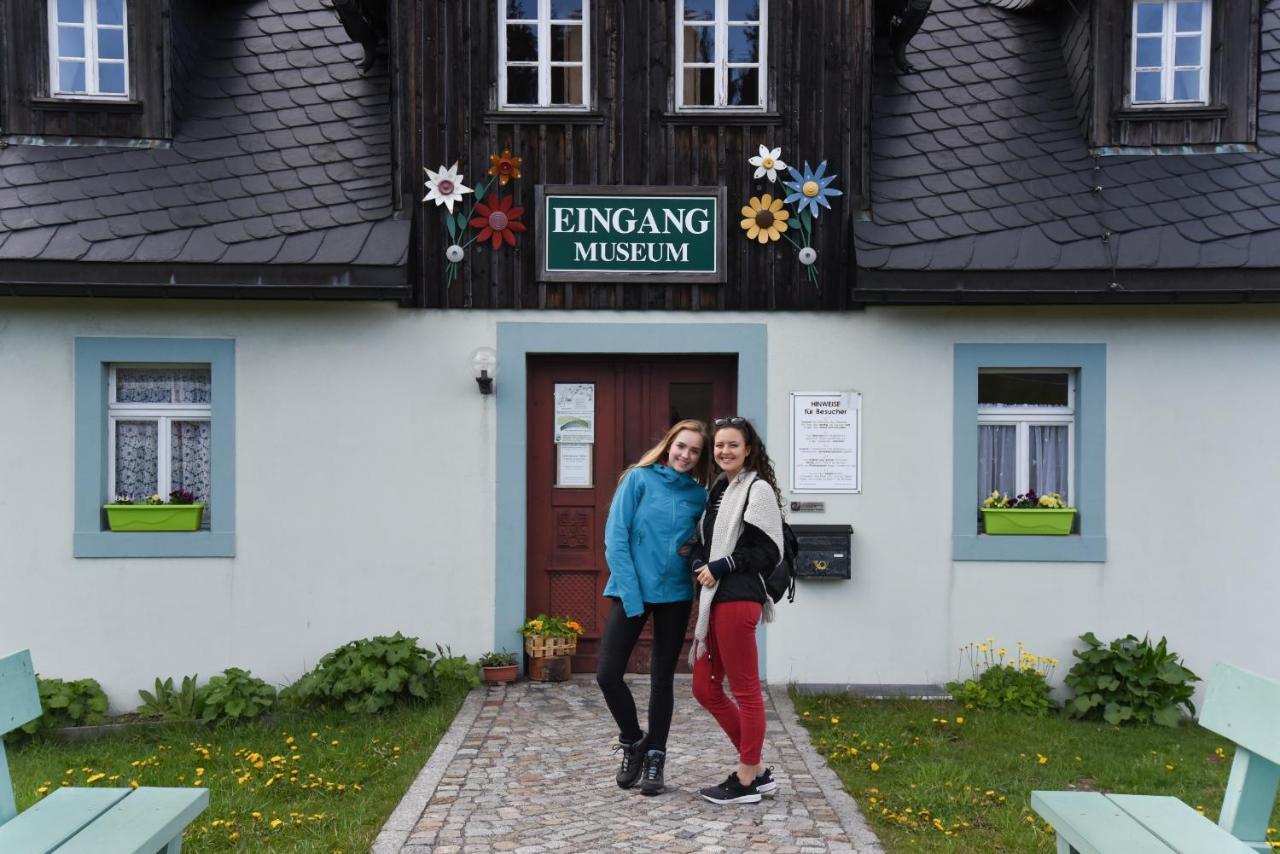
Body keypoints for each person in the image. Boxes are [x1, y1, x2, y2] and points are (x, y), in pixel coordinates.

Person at [597, 419, 711, 796]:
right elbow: (616, 537)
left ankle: (656, 756)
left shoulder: (700, 496)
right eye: (681, 446)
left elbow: (707, 542)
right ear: (668, 444)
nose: (686, 455)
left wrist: (694, 554)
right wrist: (631, 594)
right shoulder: (638, 479)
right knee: (608, 674)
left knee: (662, 679)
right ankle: (634, 742)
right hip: (633, 589)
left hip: (675, 594)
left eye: (694, 451)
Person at [689, 416, 785, 806]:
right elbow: (707, 540)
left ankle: (746, 779)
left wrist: (722, 565)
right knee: (704, 688)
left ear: (749, 449)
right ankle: (758, 769)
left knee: (745, 691)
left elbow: (767, 550)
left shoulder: (757, 489)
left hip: (738, 598)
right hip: (714, 599)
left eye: (732, 445)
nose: (724, 451)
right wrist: (698, 558)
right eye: (718, 446)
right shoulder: (720, 489)